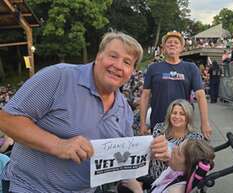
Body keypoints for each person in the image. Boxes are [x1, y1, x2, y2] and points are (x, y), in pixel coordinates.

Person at [0, 32, 169, 193]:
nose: (118, 66)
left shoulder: (124, 110)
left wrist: (147, 152)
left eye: (127, 62)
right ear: (98, 56)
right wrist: (59, 145)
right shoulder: (59, 76)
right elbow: (7, 119)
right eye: (113, 56)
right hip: (30, 187)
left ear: (131, 71)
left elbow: (119, 163)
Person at [118, 99, 203, 192]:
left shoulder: (194, 138)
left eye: (182, 114)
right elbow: (150, 152)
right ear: (169, 114)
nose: (177, 116)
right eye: (174, 113)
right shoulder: (159, 128)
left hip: (171, 180)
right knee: (123, 184)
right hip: (151, 174)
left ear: (188, 117)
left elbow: (189, 165)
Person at [139, 31, 212, 139]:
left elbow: (201, 96)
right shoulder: (153, 68)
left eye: (176, 42)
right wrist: (142, 123)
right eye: (169, 42)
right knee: (160, 154)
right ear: (163, 48)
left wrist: (205, 123)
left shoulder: (191, 68)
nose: (172, 44)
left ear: (182, 48)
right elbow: (145, 96)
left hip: (182, 123)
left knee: (181, 154)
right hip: (159, 123)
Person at [121, 139, 215, 193]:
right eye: (178, 146)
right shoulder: (180, 169)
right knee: (123, 186)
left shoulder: (175, 190)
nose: (174, 149)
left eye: (178, 153)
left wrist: (137, 189)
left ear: (187, 165)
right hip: (158, 186)